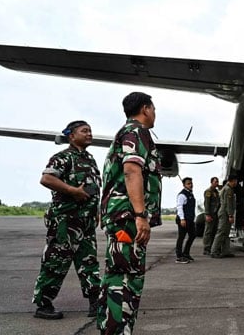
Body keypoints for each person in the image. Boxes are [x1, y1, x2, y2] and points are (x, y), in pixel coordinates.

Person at [97, 92, 162, 335]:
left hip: (121, 216)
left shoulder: (126, 132)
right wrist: (140, 214)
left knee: (117, 276)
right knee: (125, 280)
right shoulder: (137, 132)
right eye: (153, 109)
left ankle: (109, 328)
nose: (155, 114)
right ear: (145, 109)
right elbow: (132, 171)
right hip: (127, 218)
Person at [32, 120, 101, 320]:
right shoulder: (62, 157)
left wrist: (95, 211)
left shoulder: (89, 159)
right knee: (56, 261)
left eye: (90, 131)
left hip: (86, 221)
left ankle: (95, 302)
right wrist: (72, 191)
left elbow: (92, 188)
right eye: (84, 131)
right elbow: (47, 179)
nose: (89, 134)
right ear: (71, 135)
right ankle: (43, 304)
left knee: (89, 262)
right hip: (65, 221)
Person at [211, 175, 238, 258]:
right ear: (232, 181)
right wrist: (230, 215)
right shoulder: (228, 190)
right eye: (235, 181)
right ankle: (214, 251)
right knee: (221, 232)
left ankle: (225, 251)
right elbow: (228, 204)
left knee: (226, 233)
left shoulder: (227, 188)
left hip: (225, 212)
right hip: (225, 213)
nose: (236, 183)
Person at [175, 177, 196, 263]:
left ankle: (186, 253)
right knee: (181, 237)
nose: (190, 185)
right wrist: (182, 219)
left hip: (190, 219)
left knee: (193, 235)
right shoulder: (182, 195)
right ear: (184, 185)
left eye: (191, 183)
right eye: (188, 183)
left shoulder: (190, 194)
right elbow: (180, 207)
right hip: (183, 219)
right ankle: (179, 256)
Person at [203, 177, 221, 255]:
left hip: (215, 214)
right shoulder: (208, 191)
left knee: (214, 231)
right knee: (208, 231)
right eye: (215, 182)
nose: (216, 183)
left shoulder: (216, 192)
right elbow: (207, 204)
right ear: (211, 182)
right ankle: (206, 248)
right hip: (210, 213)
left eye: (217, 182)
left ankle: (212, 247)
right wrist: (207, 214)